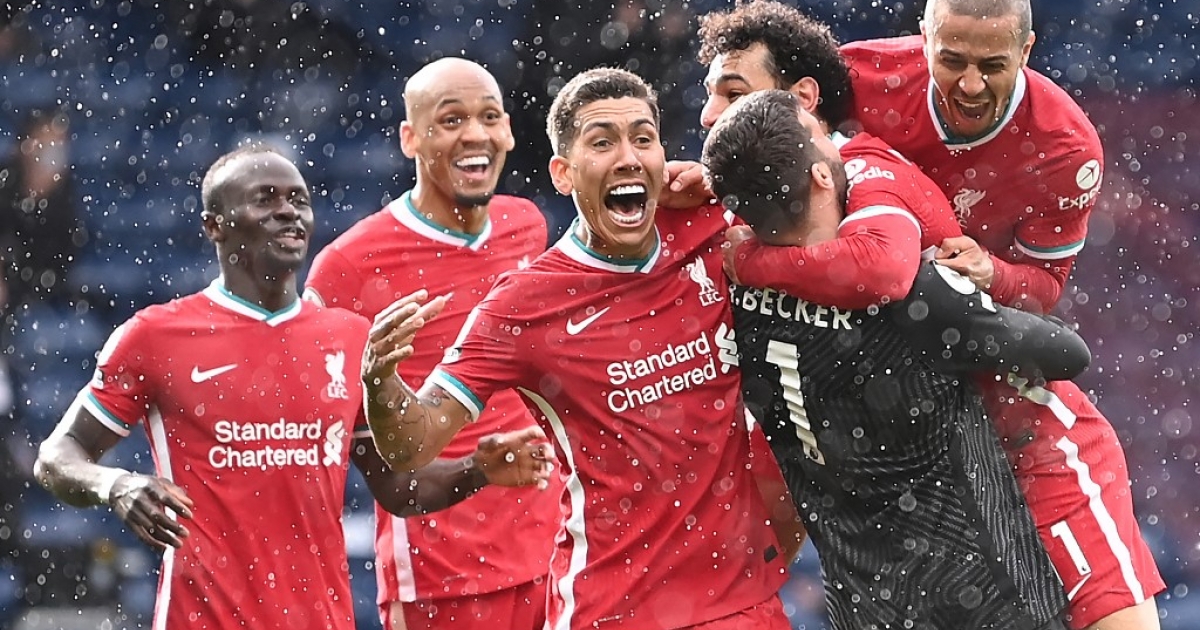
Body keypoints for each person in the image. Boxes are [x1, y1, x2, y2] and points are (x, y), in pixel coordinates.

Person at [692, 2, 1166, 628]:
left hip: (999, 396)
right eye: (951, 59)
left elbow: (896, 269)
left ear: (803, 105)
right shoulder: (853, 87)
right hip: (889, 449)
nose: (969, 83)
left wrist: (990, 276)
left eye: (734, 95)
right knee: (716, 572)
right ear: (924, 41)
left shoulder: (1041, 152)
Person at [32, 144, 556, 629]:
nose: (289, 212)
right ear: (214, 226)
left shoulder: (349, 338)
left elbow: (398, 487)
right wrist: (115, 485)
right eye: (266, 199)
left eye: (299, 200)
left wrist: (477, 469)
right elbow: (57, 456)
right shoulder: (155, 337)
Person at [361, 67, 792, 630]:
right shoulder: (522, 305)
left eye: (643, 139)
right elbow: (411, 444)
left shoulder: (713, 230)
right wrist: (380, 379)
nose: (628, 158)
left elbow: (829, 193)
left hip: (745, 606)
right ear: (563, 174)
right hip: (616, 612)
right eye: (602, 142)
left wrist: (718, 181)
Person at [704, 87, 1086, 630]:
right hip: (986, 600)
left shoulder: (733, 299)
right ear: (820, 176)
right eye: (821, 136)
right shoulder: (915, 296)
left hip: (863, 609)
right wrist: (983, 286)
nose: (837, 142)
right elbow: (1066, 352)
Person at [304, 57, 561, 630]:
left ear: (509, 131)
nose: (474, 134)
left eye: (488, 116)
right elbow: (359, 455)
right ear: (410, 138)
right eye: (450, 120)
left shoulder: (527, 226)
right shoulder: (347, 268)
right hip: (443, 579)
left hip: (554, 553)